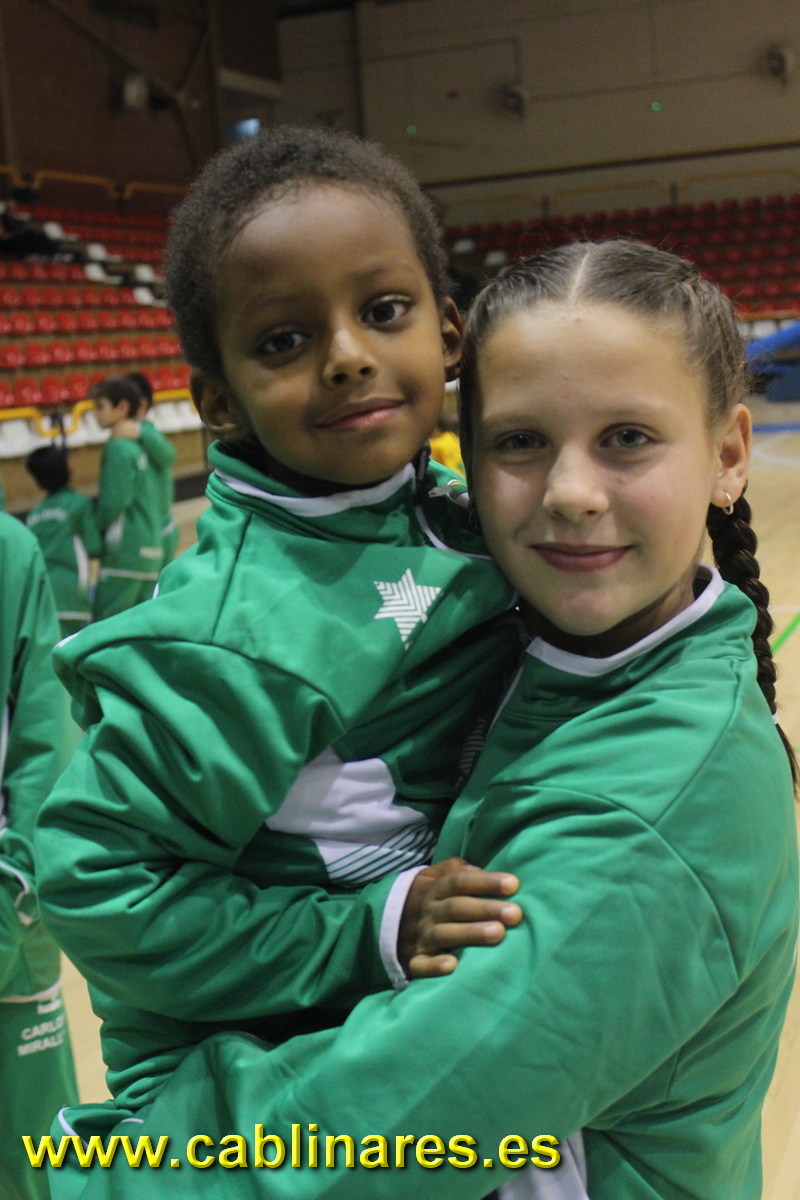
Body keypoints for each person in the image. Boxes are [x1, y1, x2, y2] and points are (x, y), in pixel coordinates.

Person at [60, 240, 800, 1200]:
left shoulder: (660, 801)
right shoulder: (518, 643)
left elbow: (378, 1134)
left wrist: (115, 1168)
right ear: (465, 460)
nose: (571, 493)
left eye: (627, 438)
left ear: (727, 455)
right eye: (520, 442)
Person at [34, 124, 521, 1139]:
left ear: (448, 332)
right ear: (219, 401)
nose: (346, 357)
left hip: (390, 1037)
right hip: (264, 1078)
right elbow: (92, 884)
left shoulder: (449, 508)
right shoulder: (235, 637)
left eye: (382, 311)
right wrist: (363, 933)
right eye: (282, 342)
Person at [0, 514, 79, 1200]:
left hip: (8, 923)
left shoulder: (9, 551)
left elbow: (42, 744)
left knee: (34, 1163)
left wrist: (17, 886)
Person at [90, 375, 163, 621]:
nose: (95, 413)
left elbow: (113, 503)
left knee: (107, 628)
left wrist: (94, 532)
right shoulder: (138, 446)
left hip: (125, 552)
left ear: (121, 408)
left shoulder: (118, 448)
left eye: (100, 406)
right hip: (150, 549)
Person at [25, 444, 102, 638]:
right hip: (72, 596)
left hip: (41, 597)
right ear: (70, 469)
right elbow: (94, 546)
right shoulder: (79, 503)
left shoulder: (33, 515)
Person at [125, 372, 180, 566]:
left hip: (160, 529)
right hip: (148, 528)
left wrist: (138, 431)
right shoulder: (127, 440)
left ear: (141, 404)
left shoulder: (147, 433)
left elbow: (168, 455)